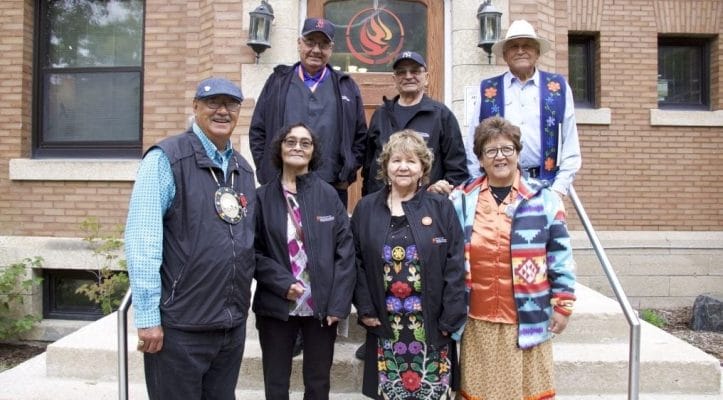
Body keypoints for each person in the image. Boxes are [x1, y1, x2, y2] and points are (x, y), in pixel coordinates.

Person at [125, 77, 256, 400]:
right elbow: (143, 242)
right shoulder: (166, 159)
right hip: (180, 327)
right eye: (213, 103)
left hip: (230, 324)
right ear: (195, 107)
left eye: (231, 104)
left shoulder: (244, 169)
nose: (222, 111)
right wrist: (147, 318)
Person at [450, 116, 576, 400]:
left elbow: (560, 255)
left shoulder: (544, 200)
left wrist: (564, 304)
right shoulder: (462, 199)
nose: (500, 157)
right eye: (490, 151)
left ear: (518, 153)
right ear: (480, 159)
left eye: (507, 149)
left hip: (527, 317)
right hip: (477, 318)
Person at [352, 130, 466, 399]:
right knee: (389, 392)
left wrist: (452, 316)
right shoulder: (366, 208)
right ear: (386, 166)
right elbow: (355, 263)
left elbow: (455, 264)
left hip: (431, 324)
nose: (403, 166)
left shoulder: (441, 208)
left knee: (431, 393)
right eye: (396, 160)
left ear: (423, 168)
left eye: (411, 161)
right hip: (384, 323)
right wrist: (365, 308)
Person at [252, 122, 356, 400]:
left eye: (305, 142)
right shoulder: (261, 197)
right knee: (275, 384)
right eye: (291, 141)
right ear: (280, 148)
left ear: (313, 151)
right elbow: (252, 252)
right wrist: (281, 282)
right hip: (276, 306)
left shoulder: (328, 195)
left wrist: (339, 303)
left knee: (318, 383)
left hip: (320, 308)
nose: (297, 146)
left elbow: (345, 253)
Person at [250, 17, 367, 208]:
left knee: (328, 238)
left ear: (331, 48)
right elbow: (258, 130)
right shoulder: (277, 82)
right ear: (299, 43)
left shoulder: (346, 86)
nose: (316, 50)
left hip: (331, 187)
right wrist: (267, 170)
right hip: (281, 186)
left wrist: (347, 173)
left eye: (323, 45)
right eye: (310, 42)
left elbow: (360, 136)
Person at [465, 19, 581, 197]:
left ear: (537, 52)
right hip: (497, 186)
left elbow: (570, 144)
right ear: (504, 54)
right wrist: (478, 186)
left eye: (527, 45)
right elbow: (473, 143)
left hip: (546, 186)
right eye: (514, 46)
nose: (520, 51)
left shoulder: (557, 87)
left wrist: (559, 188)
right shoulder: (488, 89)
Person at [362, 50, 468, 196]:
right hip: (383, 205)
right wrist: (368, 200)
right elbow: (368, 167)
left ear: (427, 77)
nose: (408, 76)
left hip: (426, 207)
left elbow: (458, 169)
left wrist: (440, 190)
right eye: (401, 72)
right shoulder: (381, 114)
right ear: (394, 79)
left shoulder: (441, 115)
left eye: (415, 71)